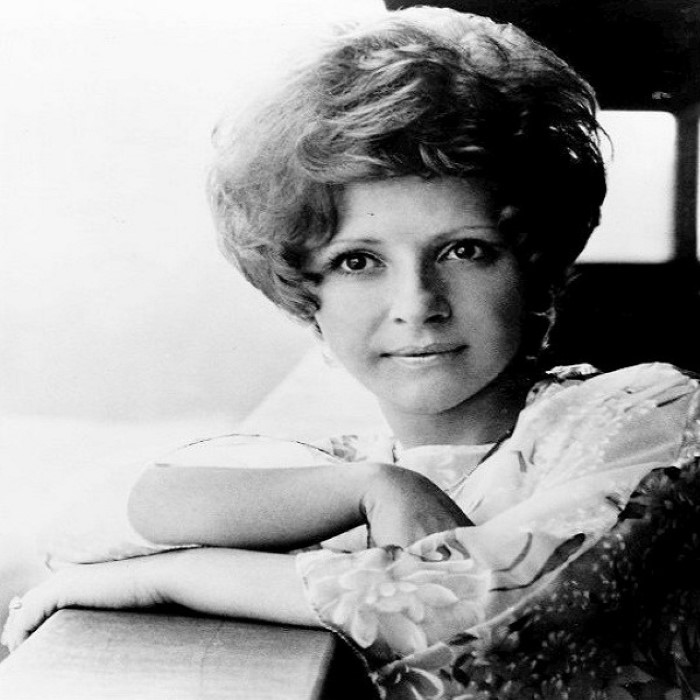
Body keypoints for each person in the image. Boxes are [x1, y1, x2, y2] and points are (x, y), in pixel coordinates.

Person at [3, 7, 700, 699]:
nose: (416, 303)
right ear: (307, 292)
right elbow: (82, 526)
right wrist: (368, 485)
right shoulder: (356, 462)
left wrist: (166, 578)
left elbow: (468, 605)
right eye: (358, 261)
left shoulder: (651, 419)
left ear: (535, 266)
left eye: (465, 251)